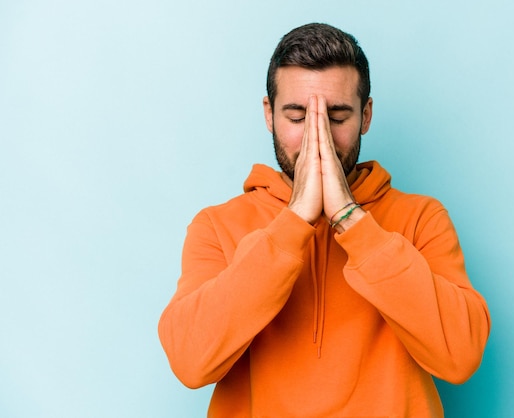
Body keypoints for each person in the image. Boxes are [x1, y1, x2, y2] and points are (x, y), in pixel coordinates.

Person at [158, 22, 491, 417]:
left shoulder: (422, 218)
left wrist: (351, 219)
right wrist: (295, 219)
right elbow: (190, 362)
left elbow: (460, 356)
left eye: (337, 116)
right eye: (298, 116)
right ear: (269, 114)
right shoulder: (216, 226)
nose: (320, 137)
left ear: (366, 115)